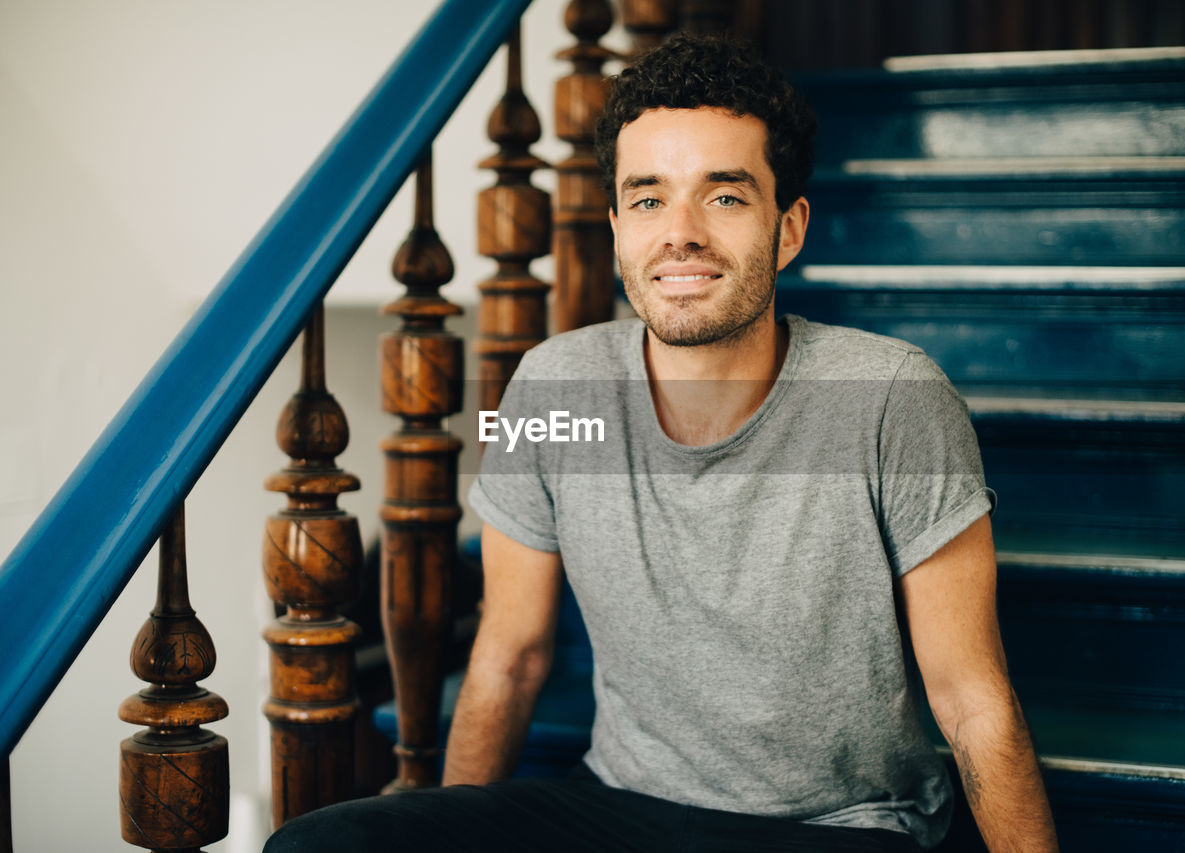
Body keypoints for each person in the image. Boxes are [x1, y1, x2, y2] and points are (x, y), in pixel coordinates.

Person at [266, 33, 1057, 852]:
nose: (679, 233)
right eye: (648, 199)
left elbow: (972, 700)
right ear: (614, 228)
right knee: (318, 845)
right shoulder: (552, 387)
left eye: (724, 196)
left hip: (837, 825)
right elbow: (507, 656)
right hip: (622, 803)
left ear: (788, 229)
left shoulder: (892, 396)